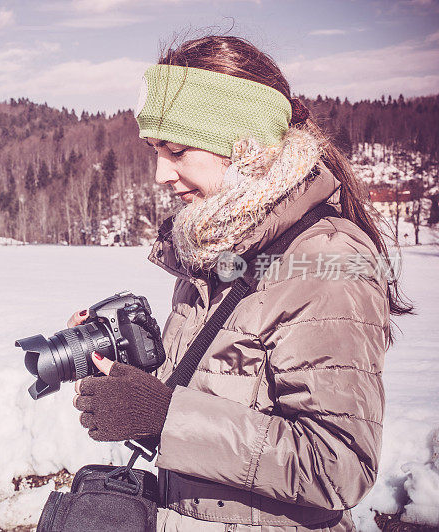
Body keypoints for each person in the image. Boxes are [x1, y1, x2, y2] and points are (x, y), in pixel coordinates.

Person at [68, 35, 413, 531]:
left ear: (245, 146)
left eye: (178, 150)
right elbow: (219, 388)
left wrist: (165, 416)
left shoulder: (326, 260)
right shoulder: (214, 249)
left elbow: (338, 468)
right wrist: (126, 369)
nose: (161, 173)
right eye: (154, 150)